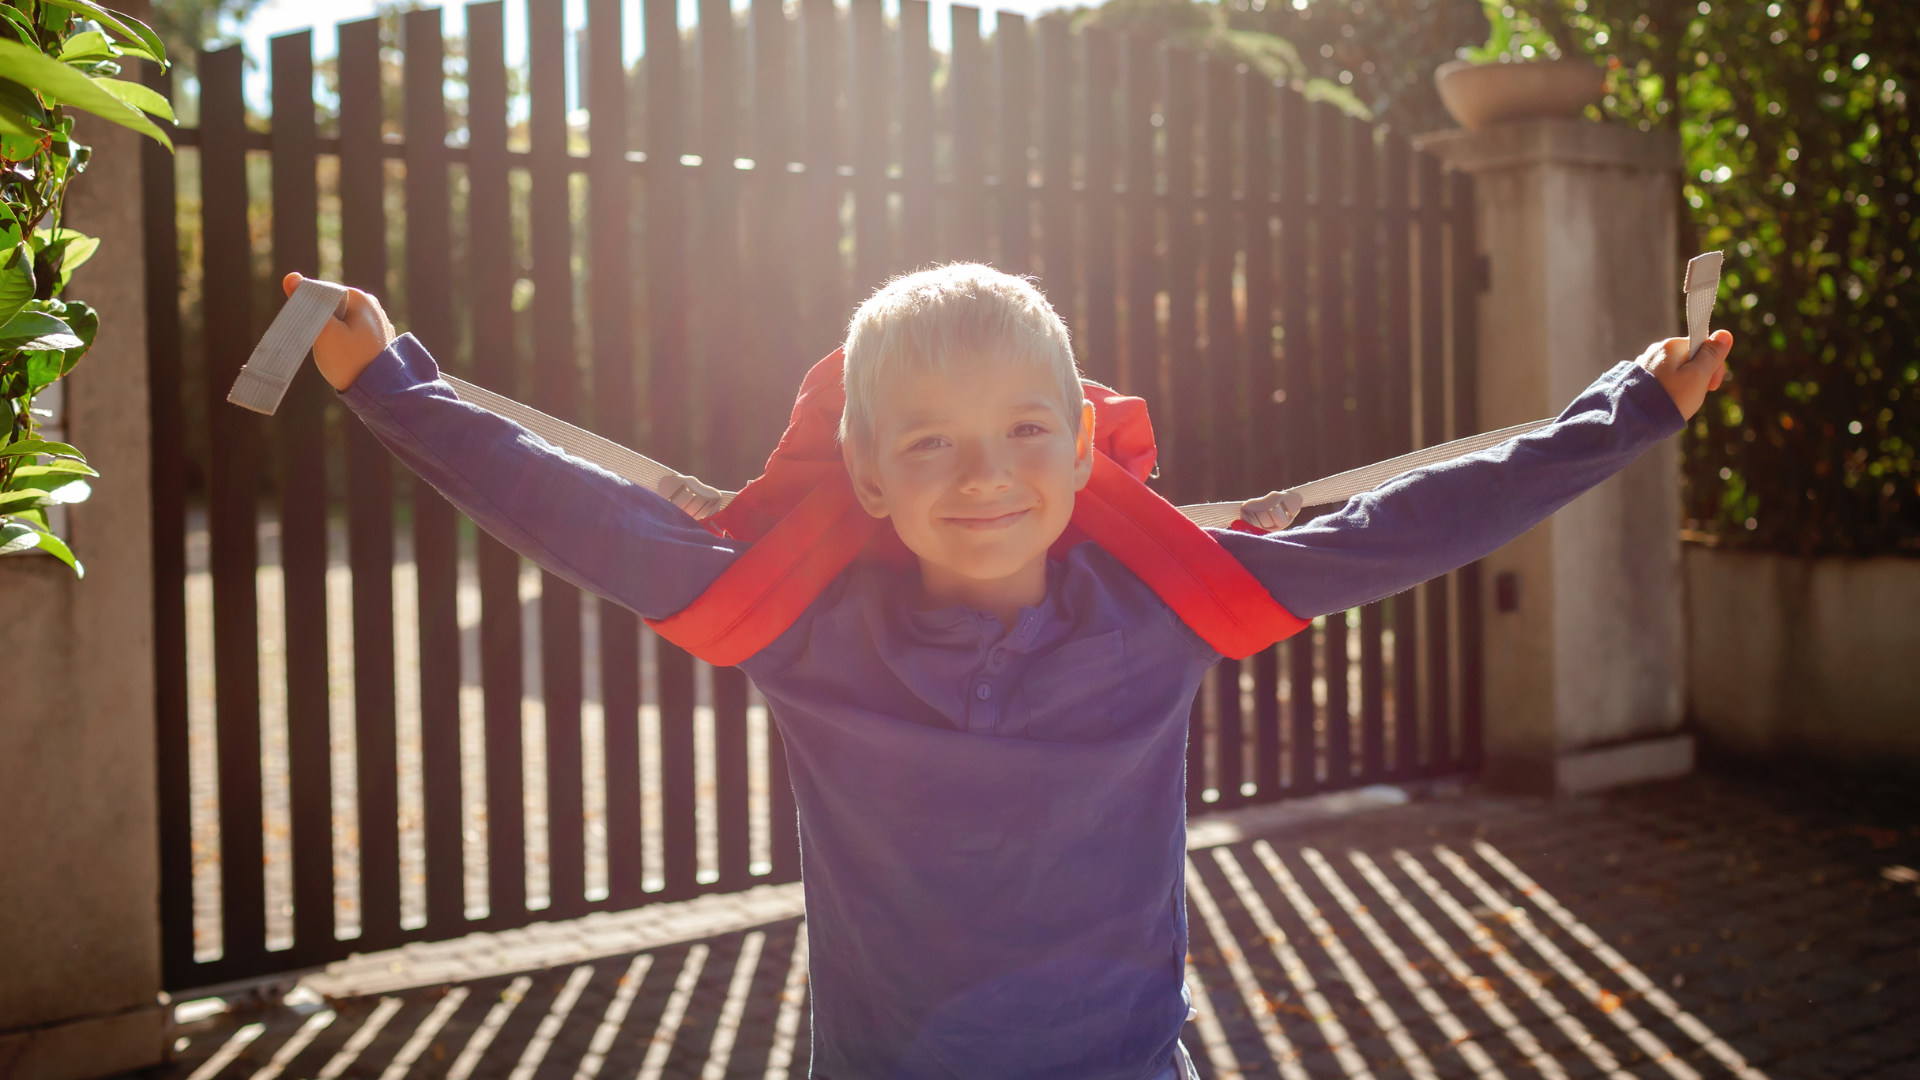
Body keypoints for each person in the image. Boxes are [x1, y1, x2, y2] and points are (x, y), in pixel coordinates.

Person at [288, 262, 1731, 1079]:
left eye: (1026, 431)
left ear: (1084, 442)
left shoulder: (1175, 606)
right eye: (928, 441)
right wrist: (385, 375)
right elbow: (572, 511)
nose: (983, 475)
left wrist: (1628, 411)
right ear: (863, 471)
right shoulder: (794, 627)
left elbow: (1415, 522)